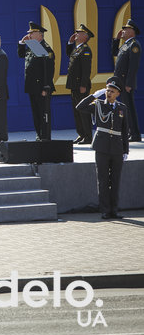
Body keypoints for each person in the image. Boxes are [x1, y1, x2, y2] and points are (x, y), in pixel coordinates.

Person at [76, 77, 129, 220]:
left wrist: (126, 150)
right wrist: (93, 95)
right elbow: (79, 107)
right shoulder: (98, 105)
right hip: (102, 147)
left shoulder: (122, 108)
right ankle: (105, 210)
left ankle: (115, 210)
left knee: (116, 180)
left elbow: (125, 131)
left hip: (117, 148)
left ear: (118, 93)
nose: (108, 93)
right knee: (103, 180)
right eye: (107, 91)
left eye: (112, 91)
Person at [18, 22, 55, 141]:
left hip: (41, 87)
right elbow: (21, 55)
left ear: (39, 35)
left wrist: (45, 87)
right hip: (33, 87)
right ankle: (39, 135)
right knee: (36, 113)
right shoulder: (33, 46)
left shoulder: (45, 48)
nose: (29, 35)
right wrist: (21, 43)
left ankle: (45, 136)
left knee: (43, 113)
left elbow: (48, 70)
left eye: (31, 33)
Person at [112, 19, 141, 142]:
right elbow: (115, 53)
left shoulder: (134, 45)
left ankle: (134, 134)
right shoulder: (126, 44)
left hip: (126, 83)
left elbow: (133, 66)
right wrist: (116, 40)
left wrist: (129, 83)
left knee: (129, 108)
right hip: (121, 82)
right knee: (125, 108)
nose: (123, 31)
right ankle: (130, 132)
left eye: (126, 29)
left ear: (132, 31)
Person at [66, 24, 93, 144]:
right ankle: (81, 134)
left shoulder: (86, 50)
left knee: (83, 111)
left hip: (81, 86)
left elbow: (86, 70)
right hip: (74, 85)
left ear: (85, 36)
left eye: (79, 33)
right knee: (77, 111)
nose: (76, 34)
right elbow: (69, 55)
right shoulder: (77, 49)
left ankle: (87, 136)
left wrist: (83, 85)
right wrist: (69, 43)